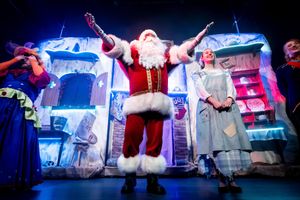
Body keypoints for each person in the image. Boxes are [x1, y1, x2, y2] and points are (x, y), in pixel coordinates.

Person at [84, 12, 213, 195]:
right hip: (136, 105)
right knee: (130, 140)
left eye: (153, 36)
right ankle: (130, 180)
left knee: (155, 143)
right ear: (140, 42)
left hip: (157, 107)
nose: (150, 38)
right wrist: (97, 29)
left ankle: (153, 181)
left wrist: (199, 38)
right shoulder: (131, 56)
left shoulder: (164, 60)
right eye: (147, 36)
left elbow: (184, 53)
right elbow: (112, 45)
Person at [192, 48, 252, 193]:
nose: (209, 53)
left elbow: (231, 87)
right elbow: (200, 89)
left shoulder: (224, 72)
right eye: (206, 52)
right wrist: (213, 101)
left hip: (226, 110)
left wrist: (229, 99)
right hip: (209, 109)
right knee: (215, 143)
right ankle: (220, 178)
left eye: (211, 52)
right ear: (201, 59)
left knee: (230, 140)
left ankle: (231, 178)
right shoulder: (198, 73)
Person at [0, 42, 50, 190]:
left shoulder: (34, 76)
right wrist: (16, 59)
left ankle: (9, 179)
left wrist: (34, 60)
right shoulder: (10, 73)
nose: (26, 58)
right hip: (2, 107)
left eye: (29, 56)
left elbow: (43, 78)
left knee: (13, 142)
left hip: (20, 113)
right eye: (25, 56)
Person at [276, 38, 300, 149]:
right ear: (286, 53)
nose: (294, 45)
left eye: (296, 43)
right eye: (289, 45)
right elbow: (283, 89)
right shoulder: (282, 69)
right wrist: (294, 101)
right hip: (297, 105)